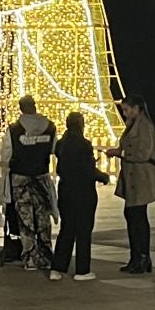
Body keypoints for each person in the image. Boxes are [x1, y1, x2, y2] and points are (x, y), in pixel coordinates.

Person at [107, 94, 155, 275]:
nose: (124, 113)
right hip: (133, 177)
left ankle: (142, 257)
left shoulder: (145, 126)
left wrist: (121, 154)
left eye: (126, 109)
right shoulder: (133, 125)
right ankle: (137, 257)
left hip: (141, 177)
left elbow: (143, 153)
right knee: (133, 215)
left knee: (137, 216)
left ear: (136, 108)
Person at [49, 112, 107, 281]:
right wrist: (102, 176)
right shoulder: (84, 145)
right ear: (81, 124)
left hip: (66, 190)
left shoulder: (61, 144)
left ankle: (58, 268)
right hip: (83, 191)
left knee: (66, 229)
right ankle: (82, 270)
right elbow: (87, 170)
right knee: (83, 230)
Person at [5, 95, 57, 273]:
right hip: (41, 177)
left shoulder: (14, 129)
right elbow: (54, 150)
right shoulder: (49, 127)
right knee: (43, 218)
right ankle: (46, 256)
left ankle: (30, 258)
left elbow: (5, 155)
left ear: (21, 108)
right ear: (34, 106)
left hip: (21, 179)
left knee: (25, 220)